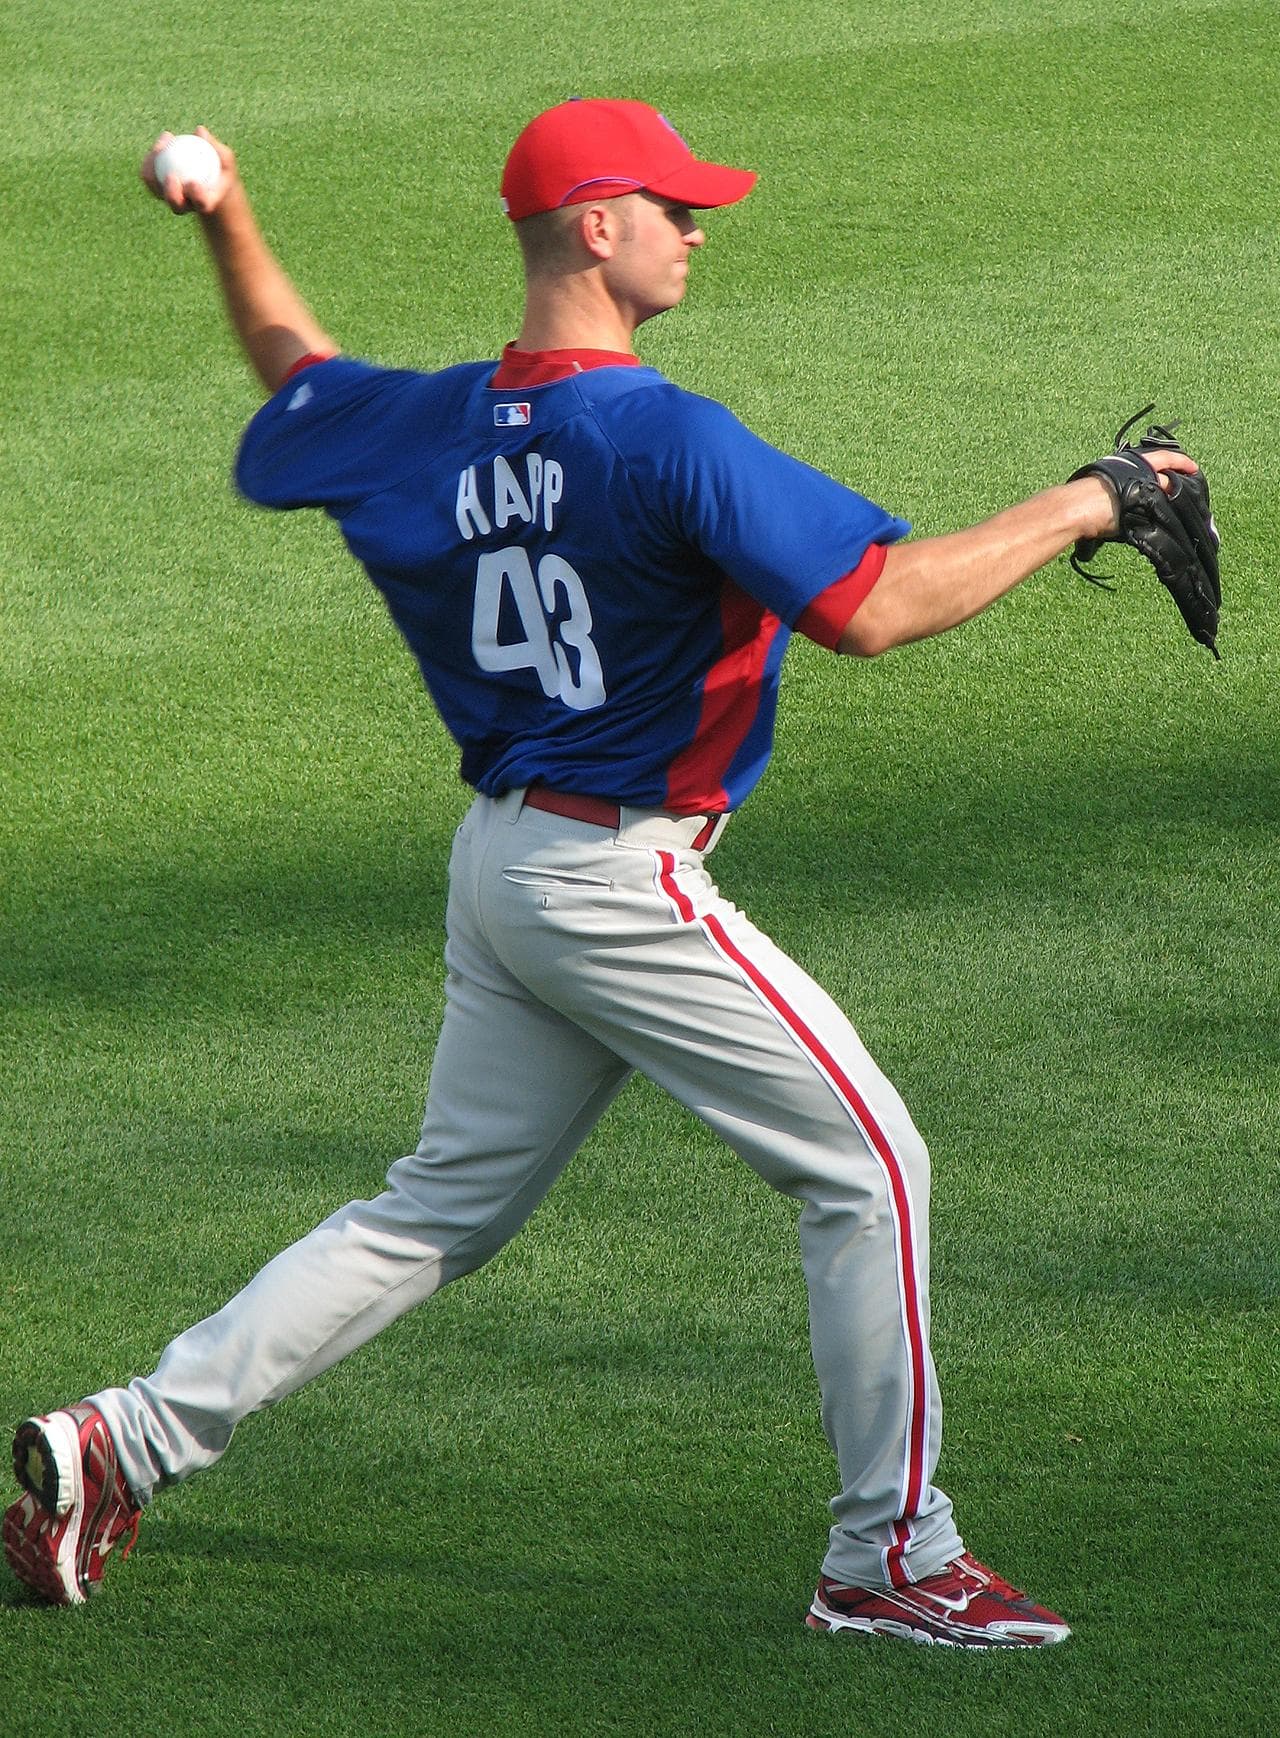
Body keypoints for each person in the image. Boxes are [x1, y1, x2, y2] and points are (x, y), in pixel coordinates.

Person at [4, 98, 1198, 1645]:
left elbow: (295, 368)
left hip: (506, 869)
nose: (696, 228)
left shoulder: (432, 423)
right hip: (615, 883)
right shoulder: (663, 435)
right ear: (595, 227)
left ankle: (124, 1438)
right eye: (673, 206)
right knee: (872, 1168)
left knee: (436, 1209)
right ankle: (891, 1554)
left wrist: (226, 213)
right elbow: (878, 605)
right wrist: (1102, 496)